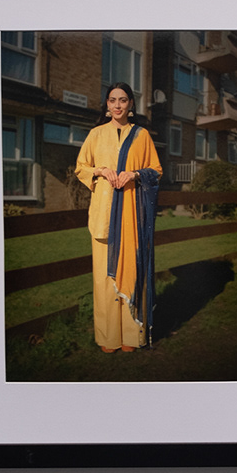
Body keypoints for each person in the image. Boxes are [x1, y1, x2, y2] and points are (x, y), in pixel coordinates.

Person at [72, 82, 164, 352]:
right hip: (103, 213)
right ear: (107, 104)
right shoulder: (96, 134)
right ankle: (108, 338)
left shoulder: (142, 135)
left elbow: (156, 170)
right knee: (104, 280)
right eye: (112, 100)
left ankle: (131, 336)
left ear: (131, 104)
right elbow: (81, 167)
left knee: (132, 271)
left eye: (123, 100)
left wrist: (134, 174)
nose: (117, 105)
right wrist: (100, 170)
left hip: (132, 214)